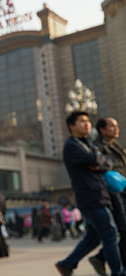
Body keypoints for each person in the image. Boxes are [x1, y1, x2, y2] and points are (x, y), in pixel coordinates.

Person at [55, 111, 125, 276]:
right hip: (90, 196)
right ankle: (118, 272)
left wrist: (98, 162)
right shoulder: (72, 146)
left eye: (88, 121)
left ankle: (67, 264)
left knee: (94, 237)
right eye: (81, 121)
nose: (86, 124)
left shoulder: (88, 145)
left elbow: (107, 163)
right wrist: (97, 161)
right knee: (110, 233)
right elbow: (96, 160)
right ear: (72, 126)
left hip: (102, 194)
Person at [88, 117, 126, 275]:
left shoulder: (115, 146)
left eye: (116, 126)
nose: (116, 129)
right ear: (102, 130)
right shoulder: (98, 147)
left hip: (123, 191)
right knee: (123, 230)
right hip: (113, 194)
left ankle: (101, 257)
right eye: (111, 126)